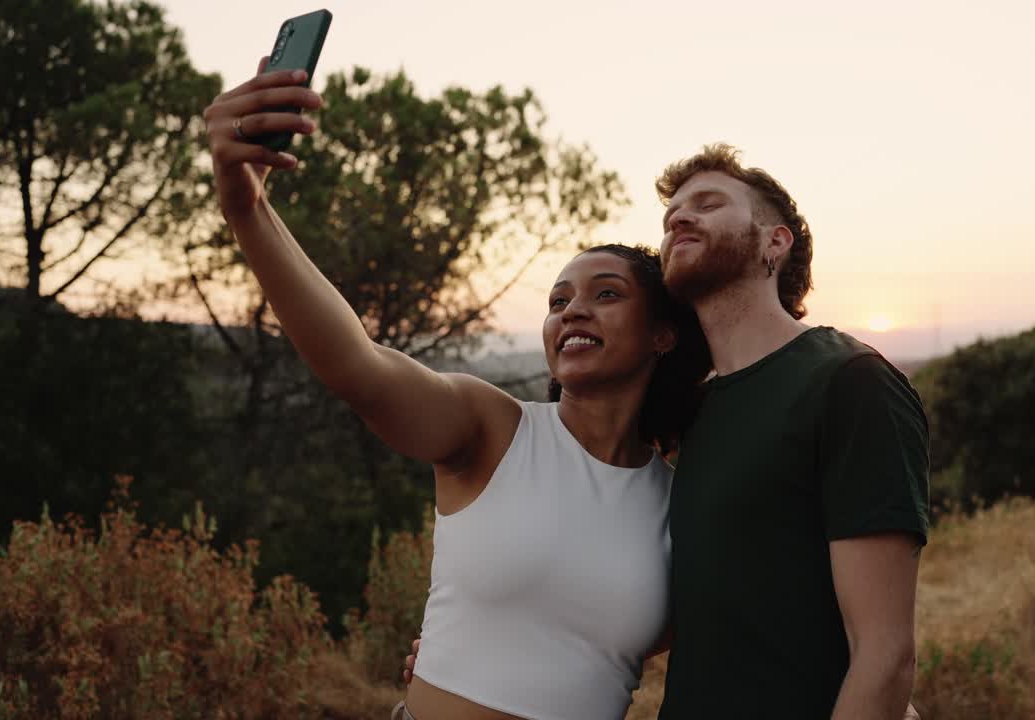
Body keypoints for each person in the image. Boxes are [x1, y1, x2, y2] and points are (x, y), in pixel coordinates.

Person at [203, 62, 712, 720]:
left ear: (662, 336)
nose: (572, 312)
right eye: (559, 301)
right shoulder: (490, 429)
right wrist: (248, 209)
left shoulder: (683, 503)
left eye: (605, 295)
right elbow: (355, 363)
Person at [652, 144, 930, 719]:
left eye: (707, 204)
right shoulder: (697, 413)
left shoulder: (848, 382)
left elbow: (885, 655)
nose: (679, 218)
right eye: (671, 214)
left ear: (774, 242)